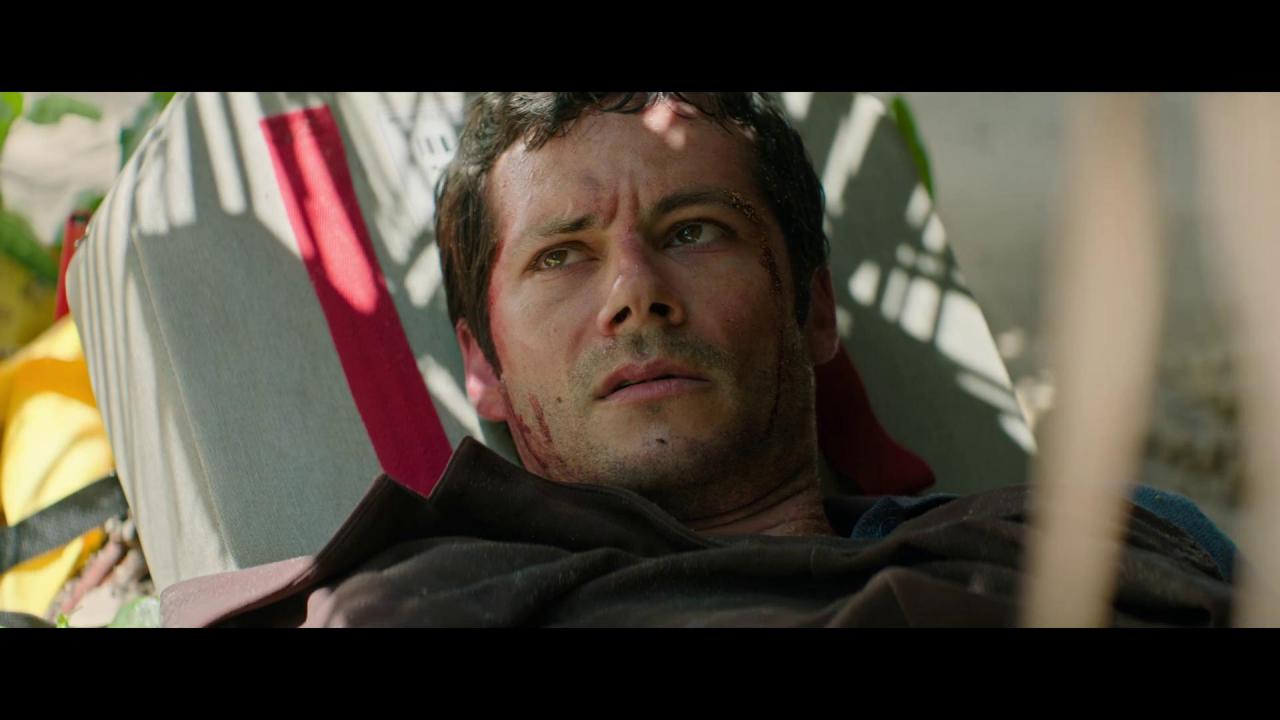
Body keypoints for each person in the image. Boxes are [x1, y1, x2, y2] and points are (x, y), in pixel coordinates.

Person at [159, 93, 1236, 627]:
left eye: (692, 231)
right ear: (481, 365)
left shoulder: (1105, 540)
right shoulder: (407, 605)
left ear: (812, 309)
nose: (635, 292)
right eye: (562, 256)